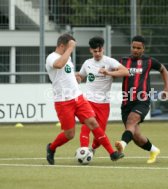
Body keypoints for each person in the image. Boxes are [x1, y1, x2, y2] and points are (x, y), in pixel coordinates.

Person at [45, 34, 124, 165]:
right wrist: (70, 48)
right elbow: (59, 65)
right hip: (63, 101)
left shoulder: (67, 57)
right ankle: (51, 148)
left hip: (78, 97)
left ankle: (112, 153)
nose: (72, 49)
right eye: (70, 46)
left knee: (93, 123)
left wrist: (77, 78)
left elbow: (67, 74)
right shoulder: (51, 57)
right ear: (62, 45)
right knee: (70, 134)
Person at [114, 35, 168, 164]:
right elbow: (114, 73)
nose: (135, 50)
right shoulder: (123, 61)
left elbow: (163, 70)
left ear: (143, 49)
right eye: (133, 47)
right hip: (126, 102)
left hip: (142, 100)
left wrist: (166, 89)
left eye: (138, 48)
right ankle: (154, 150)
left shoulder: (149, 61)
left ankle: (122, 145)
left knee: (132, 121)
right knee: (136, 137)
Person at [75, 36, 129, 153]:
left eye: (100, 50)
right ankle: (83, 150)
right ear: (91, 50)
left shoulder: (109, 62)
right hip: (88, 101)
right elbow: (81, 76)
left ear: (103, 49)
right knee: (86, 127)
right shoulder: (87, 63)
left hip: (103, 103)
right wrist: (76, 78)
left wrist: (108, 72)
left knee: (100, 133)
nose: (98, 53)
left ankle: (92, 149)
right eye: (95, 51)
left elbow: (126, 71)